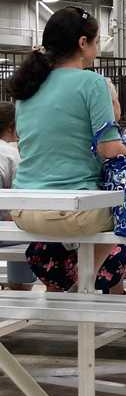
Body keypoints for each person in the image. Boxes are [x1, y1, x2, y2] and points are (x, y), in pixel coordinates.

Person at [8, 7, 126, 306]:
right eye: (97, 40)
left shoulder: (28, 89)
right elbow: (108, 149)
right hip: (74, 212)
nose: (98, 46)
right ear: (82, 43)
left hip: (24, 211)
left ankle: (82, 281)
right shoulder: (93, 83)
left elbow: (28, 148)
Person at [0, 102, 37, 291]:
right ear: (12, 126)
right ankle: (20, 285)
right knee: (26, 228)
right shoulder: (11, 155)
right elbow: (17, 202)